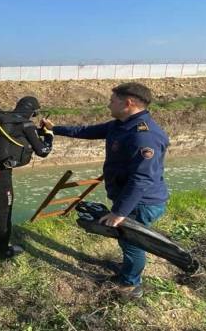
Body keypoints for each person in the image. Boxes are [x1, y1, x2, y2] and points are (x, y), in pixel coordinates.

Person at [41, 83, 169, 299]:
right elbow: (86, 131)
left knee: (132, 243)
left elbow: (141, 179)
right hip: (130, 197)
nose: (109, 103)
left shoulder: (144, 136)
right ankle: (129, 271)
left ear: (128, 103)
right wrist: (54, 128)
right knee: (128, 242)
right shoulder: (121, 124)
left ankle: (131, 285)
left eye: (113, 100)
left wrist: (119, 212)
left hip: (141, 202)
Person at [0, 96, 54, 259]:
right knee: (4, 213)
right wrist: (49, 134)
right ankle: (3, 251)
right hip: (0, 175)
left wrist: (37, 131)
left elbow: (11, 135)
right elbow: (42, 151)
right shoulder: (26, 124)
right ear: (32, 111)